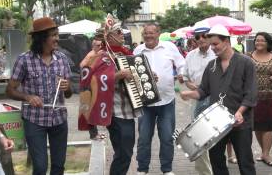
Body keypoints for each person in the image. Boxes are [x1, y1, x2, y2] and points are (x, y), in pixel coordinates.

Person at [180, 24, 257, 175]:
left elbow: (251, 94)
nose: (212, 48)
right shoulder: (212, 65)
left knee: (245, 161)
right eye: (211, 45)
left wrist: (240, 112)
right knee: (216, 160)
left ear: (227, 41)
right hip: (216, 122)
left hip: (240, 122)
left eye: (215, 44)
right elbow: (203, 91)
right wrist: (189, 94)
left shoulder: (246, 62)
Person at [6, 17, 72, 175]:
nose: (57, 38)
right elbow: (10, 90)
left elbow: (69, 94)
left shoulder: (62, 59)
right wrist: (27, 97)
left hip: (59, 121)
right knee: (41, 167)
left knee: (58, 167)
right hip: (35, 121)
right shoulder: (24, 60)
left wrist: (68, 87)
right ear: (42, 38)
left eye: (57, 34)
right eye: (53, 35)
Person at [78, 14, 140, 175]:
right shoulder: (102, 56)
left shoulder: (125, 53)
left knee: (125, 153)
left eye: (121, 32)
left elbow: (133, 77)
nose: (122, 35)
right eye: (118, 32)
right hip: (115, 112)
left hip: (129, 111)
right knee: (123, 153)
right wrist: (118, 75)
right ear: (109, 36)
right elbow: (90, 80)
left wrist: (149, 76)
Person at [134, 23, 185, 175]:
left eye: (151, 33)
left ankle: (166, 169)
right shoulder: (137, 50)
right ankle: (142, 169)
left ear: (158, 33)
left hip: (167, 101)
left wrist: (182, 73)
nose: (148, 36)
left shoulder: (169, 47)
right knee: (143, 138)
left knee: (167, 138)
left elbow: (181, 63)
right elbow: (133, 74)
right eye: (145, 33)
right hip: (145, 103)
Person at [183, 27, 215, 175]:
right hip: (197, 99)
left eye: (204, 36)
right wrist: (190, 86)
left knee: (215, 135)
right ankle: (205, 172)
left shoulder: (217, 53)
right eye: (197, 37)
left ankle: (217, 166)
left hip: (216, 99)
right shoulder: (190, 56)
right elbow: (185, 78)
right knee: (198, 136)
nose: (201, 39)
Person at [247, 32, 272, 166]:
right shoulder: (248, 57)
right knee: (257, 125)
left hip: (270, 96)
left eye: (262, 40)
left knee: (269, 125)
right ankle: (263, 152)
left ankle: (266, 154)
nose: (259, 42)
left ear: (268, 42)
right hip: (253, 97)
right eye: (257, 40)